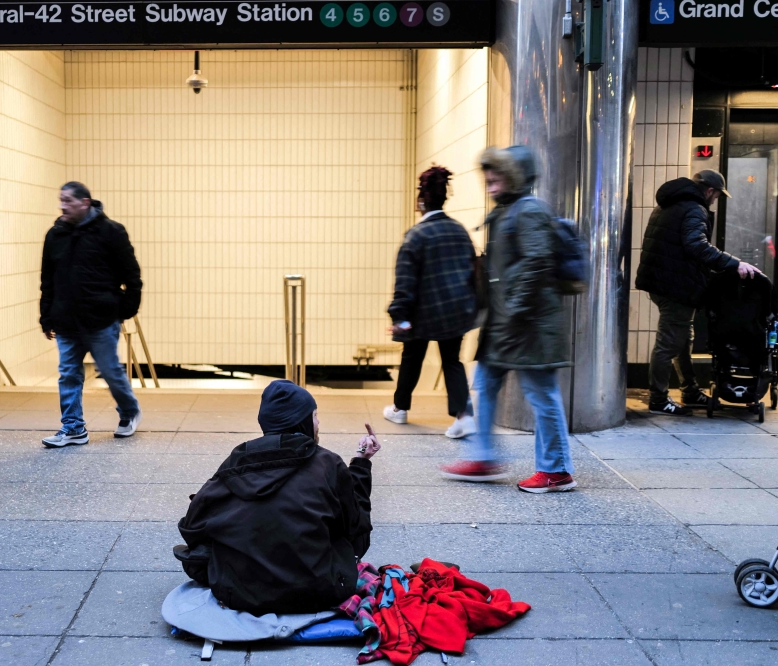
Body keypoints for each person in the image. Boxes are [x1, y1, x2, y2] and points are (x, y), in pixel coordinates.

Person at [175, 379, 380, 614]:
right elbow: (356, 531)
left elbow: (192, 526)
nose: (319, 422)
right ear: (301, 420)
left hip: (239, 594)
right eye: (314, 415)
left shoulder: (239, 460)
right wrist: (361, 465)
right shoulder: (327, 463)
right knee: (349, 526)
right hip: (319, 592)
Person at [440, 146, 576, 493]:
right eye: (487, 173)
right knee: (484, 386)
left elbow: (537, 262)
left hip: (527, 325)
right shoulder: (505, 212)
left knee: (542, 395)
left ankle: (556, 469)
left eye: (496, 173)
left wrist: (513, 309)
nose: (488, 179)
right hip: (505, 325)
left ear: (515, 176)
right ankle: (484, 458)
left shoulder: (528, 211)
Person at [636, 169, 762, 416]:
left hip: (663, 282)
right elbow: (696, 244)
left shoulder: (669, 205)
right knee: (669, 342)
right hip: (675, 286)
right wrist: (734, 263)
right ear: (709, 191)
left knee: (683, 338)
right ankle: (658, 399)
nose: (715, 200)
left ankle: (690, 390)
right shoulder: (695, 208)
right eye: (716, 196)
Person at [40, 182, 143, 446]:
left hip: (101, 320)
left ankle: (129, 412)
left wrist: (124, 310)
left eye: (68, 201)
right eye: (61, 200)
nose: (63, 205)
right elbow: (47, 279)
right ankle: (73, 428)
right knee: (69, 374)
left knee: (110, 372)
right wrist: (46, 315)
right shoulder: (55, 234)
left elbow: (132, 275)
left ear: (85, 203)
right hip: (65, 320)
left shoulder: (111, 232)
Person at [384, 165, 479, 439]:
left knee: (411, 357)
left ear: (421, 200)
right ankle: (463, 416)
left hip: (422, 314)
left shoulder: (416, 235)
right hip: (457, 312)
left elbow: (404, 282)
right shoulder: (459, 231)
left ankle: (400, 408)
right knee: (452, 361)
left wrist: (399, 316)